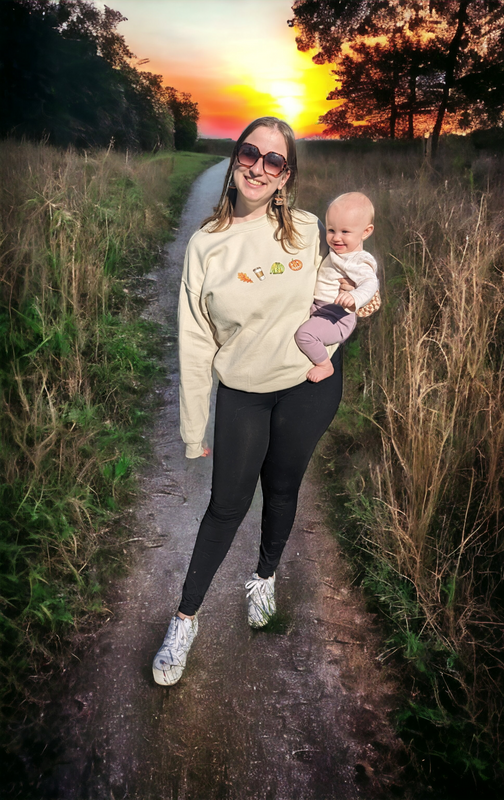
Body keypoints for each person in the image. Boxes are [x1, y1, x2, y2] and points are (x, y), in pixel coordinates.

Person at [152, 117, 347, 687]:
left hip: (309, 386)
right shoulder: (206, 245)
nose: (259, 167)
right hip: (244, 393)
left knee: (283, 488)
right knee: (226, 505)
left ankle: (264, 579)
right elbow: (194, 342)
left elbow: (350, 287)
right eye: (250, 153)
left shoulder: (310, 230)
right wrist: (195, 425)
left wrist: (335, 341)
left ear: (286, 177)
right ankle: (184, 620)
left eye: (275, 161)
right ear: (236, 158)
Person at [295, 192, 380, 383]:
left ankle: (325, 365)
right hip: (321, 309)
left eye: (345, 232)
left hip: (337, 317)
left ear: (365, 232)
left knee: (305, 334)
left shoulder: (358, 261)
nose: (336, 238)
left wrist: (355, 297)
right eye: (331, 230)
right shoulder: (338, 251)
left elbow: (370, 283)